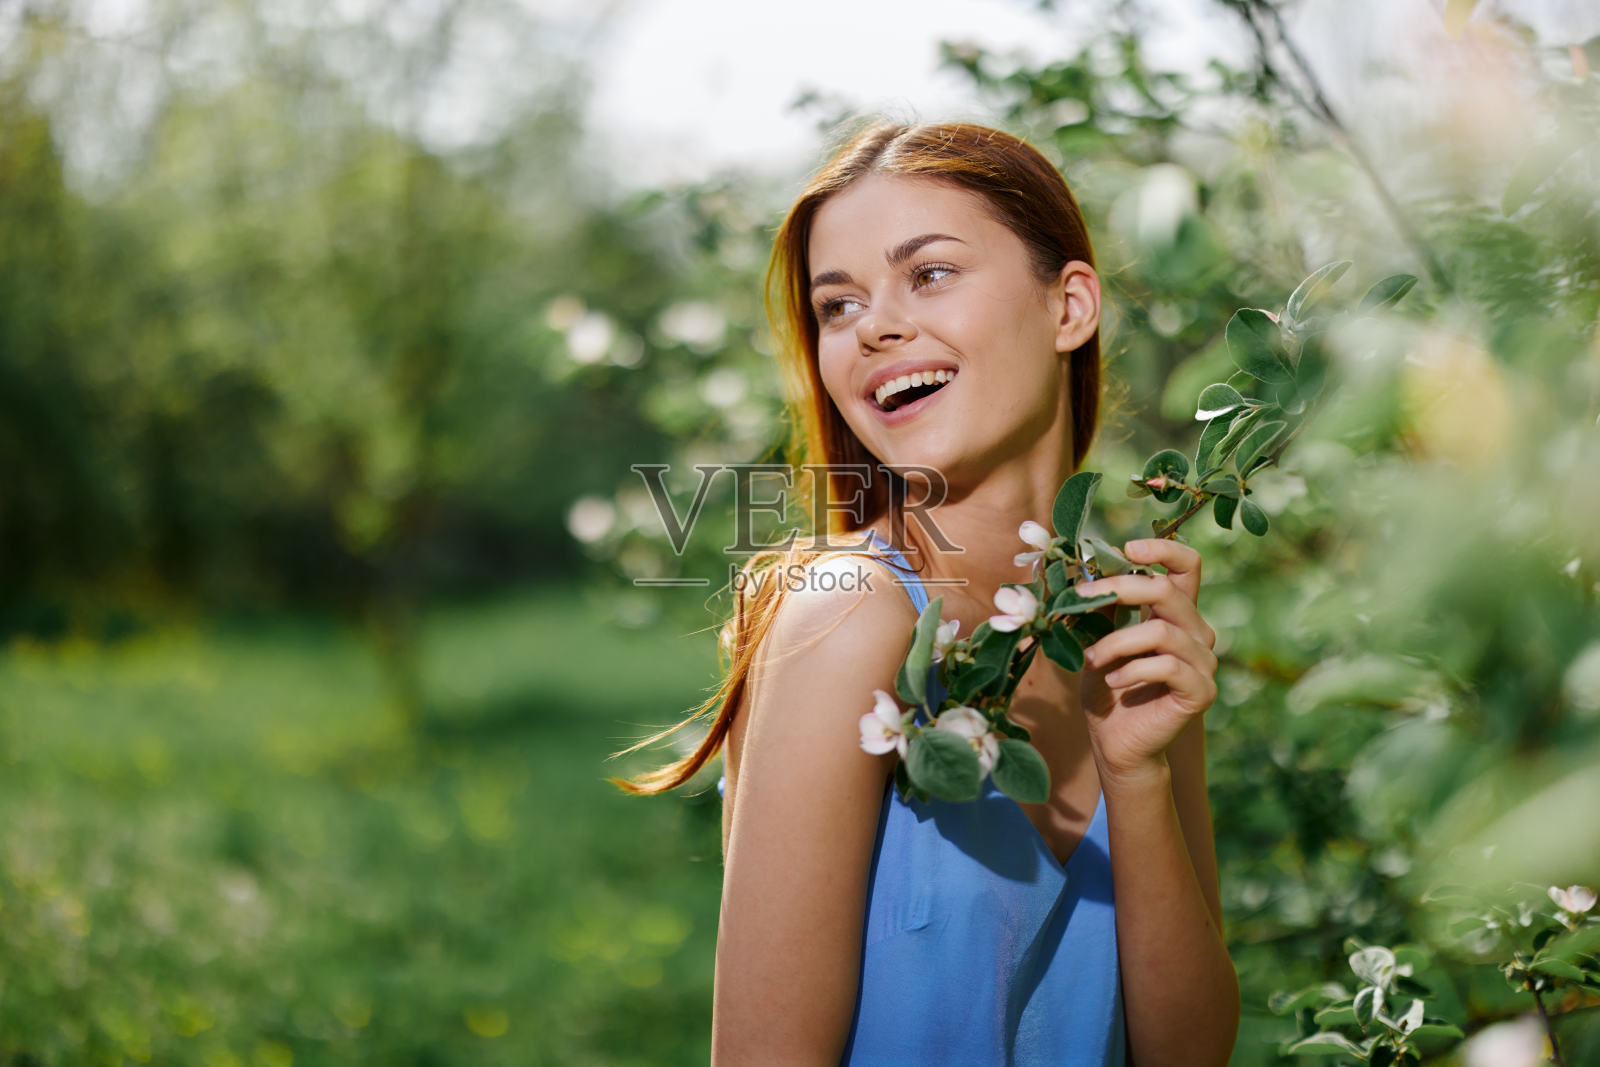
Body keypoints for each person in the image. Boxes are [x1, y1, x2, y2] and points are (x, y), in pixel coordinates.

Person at [611, 121, 1239, 1065]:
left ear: (1069, 306)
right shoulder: (846, 611)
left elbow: (1188, 1051)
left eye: (930, 273)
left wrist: (1138, 776)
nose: (873, 326)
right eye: (837, 304)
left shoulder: (1126, 620)